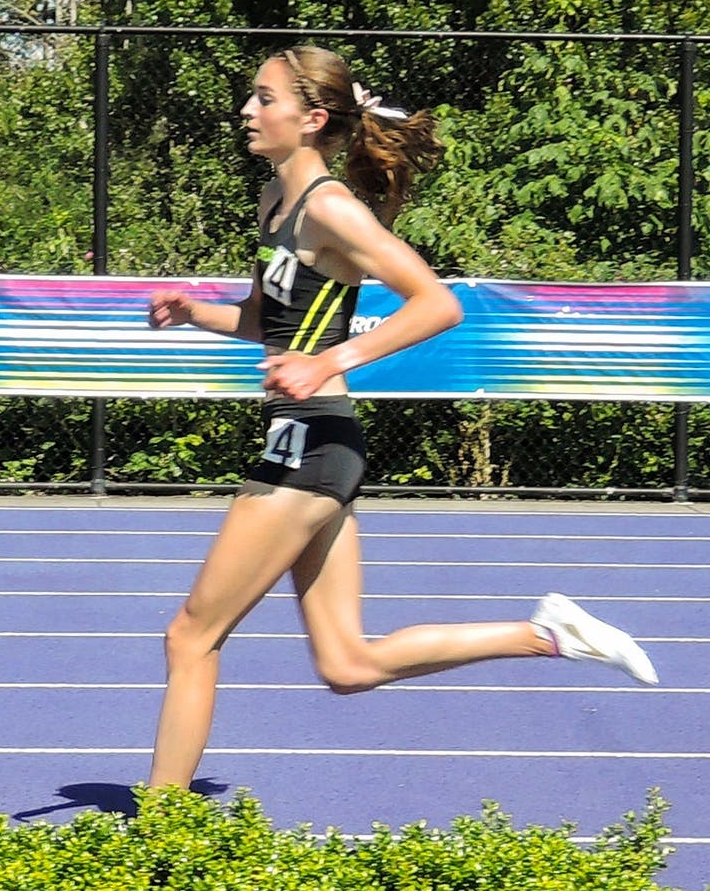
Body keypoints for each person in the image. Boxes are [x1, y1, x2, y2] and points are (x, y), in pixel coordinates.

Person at [142, 44, 658, 790]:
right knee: (347, 664)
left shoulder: (330, 207)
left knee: (191, 636)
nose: (247, 112)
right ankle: (547, 633)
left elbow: (437, 303)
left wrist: (331, 362)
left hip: (312, 443)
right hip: (314, 441)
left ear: (312, 119)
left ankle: (155, 841)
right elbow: (269, 321)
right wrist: (196, 312)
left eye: (264, 99)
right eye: (250, 98)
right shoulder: (274, 204)